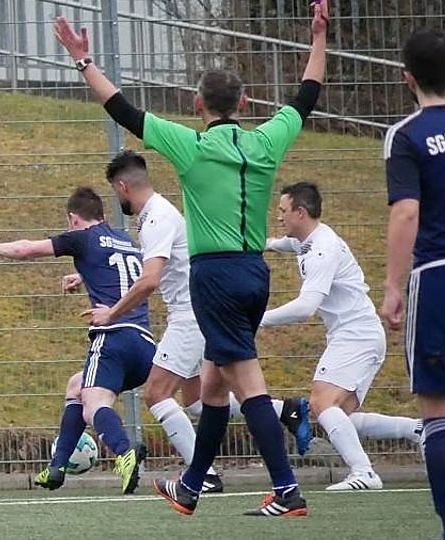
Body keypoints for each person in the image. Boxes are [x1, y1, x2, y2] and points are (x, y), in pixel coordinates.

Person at [53, 0, 327, 517]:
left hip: (215, 277)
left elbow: (123, 109)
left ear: (197, 104)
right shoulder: (266, 141)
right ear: (244, 103)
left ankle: (287, 488)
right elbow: (306, 95)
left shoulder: (191, 146)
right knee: (214, 386)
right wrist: (317, 38)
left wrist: (83, 61)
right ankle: (192, 485)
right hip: (255, 273)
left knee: (247, 384)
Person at [74, 150, 311, 493]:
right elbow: (151, 265)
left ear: (122, 187)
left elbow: (150, 280)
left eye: (115, 191)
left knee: (156, 393)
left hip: (190, 316)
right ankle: (285, 410)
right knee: (199, 400)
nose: (117, 199)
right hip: (199, 311)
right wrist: (81, 276)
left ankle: (205, 477)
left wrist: (112, 313)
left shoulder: (156, 219)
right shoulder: (158, 213)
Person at [0, 187, 151, 494]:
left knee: (93, 404)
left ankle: (124, 452)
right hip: (145, 345)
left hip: (113, 340)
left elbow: (26, 249)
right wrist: (84, 275)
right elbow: (122, 272)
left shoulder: (82, 238)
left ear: (73, 219)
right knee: (76, 386)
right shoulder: (126, 241)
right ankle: (56, 468)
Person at [381, 29, 445, 540]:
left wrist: (392, 285)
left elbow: (406, 212)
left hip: (441, 277)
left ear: (408, 79)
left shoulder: (407, 135)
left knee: (440, 412)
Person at [262, 182, 423, 491]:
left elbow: (306, 307)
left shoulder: (322, 249)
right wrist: (259, 244)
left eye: (283, 211)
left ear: (300, 212)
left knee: (322, 404)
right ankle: (417, 430)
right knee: (340, 414)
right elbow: (284, 244)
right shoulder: (308, 239)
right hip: (356, 334)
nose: (278, 217)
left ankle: (364, 473)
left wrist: (258, 321)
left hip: (356, 335)